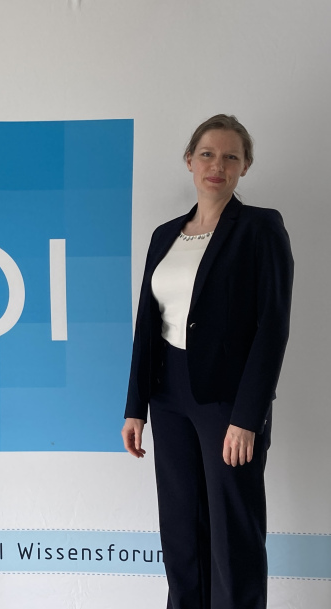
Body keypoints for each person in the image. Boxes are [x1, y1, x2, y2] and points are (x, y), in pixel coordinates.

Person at [122, 114, 293, 608]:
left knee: (233, 529)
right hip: (167, 395)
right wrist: (135, 407)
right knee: (181, 528)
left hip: (227, 400)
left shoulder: (260, 228)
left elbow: (272, 327)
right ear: (190, 161)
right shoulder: (165, 235)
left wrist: (248, 416)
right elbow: (147, 325)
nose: (217, 165)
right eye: (207, 154)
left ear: (245, 167)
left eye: (230, 157)